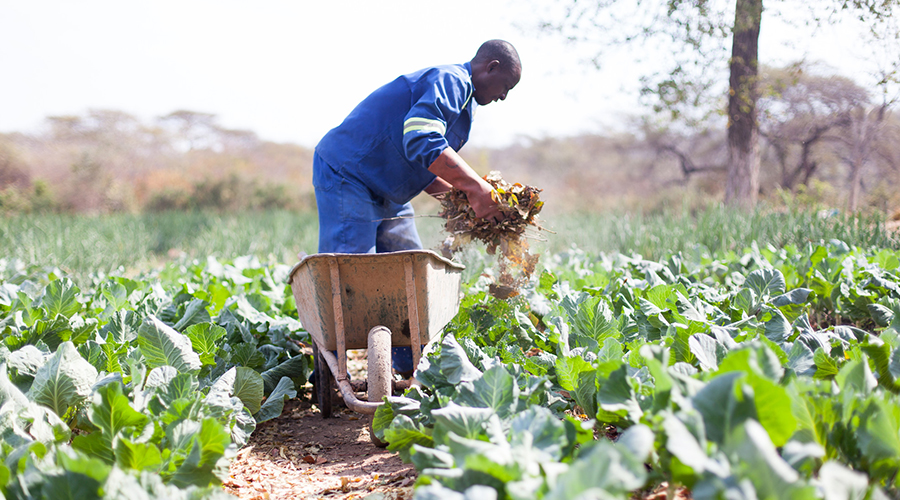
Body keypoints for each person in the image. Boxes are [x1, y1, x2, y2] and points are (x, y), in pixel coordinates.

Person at [312, 39, 521, 378]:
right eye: (506, 87)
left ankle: (412, 367)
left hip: (387, 186)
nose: (503, 96)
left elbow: (421, 162)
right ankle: (329, 368)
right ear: (491, 68)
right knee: (350, 270)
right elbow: (422, 139)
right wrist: (475, 187)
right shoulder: (451, 81)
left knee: (407, 268)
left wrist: (457, 200)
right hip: (348, 172)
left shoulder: (465, 105)